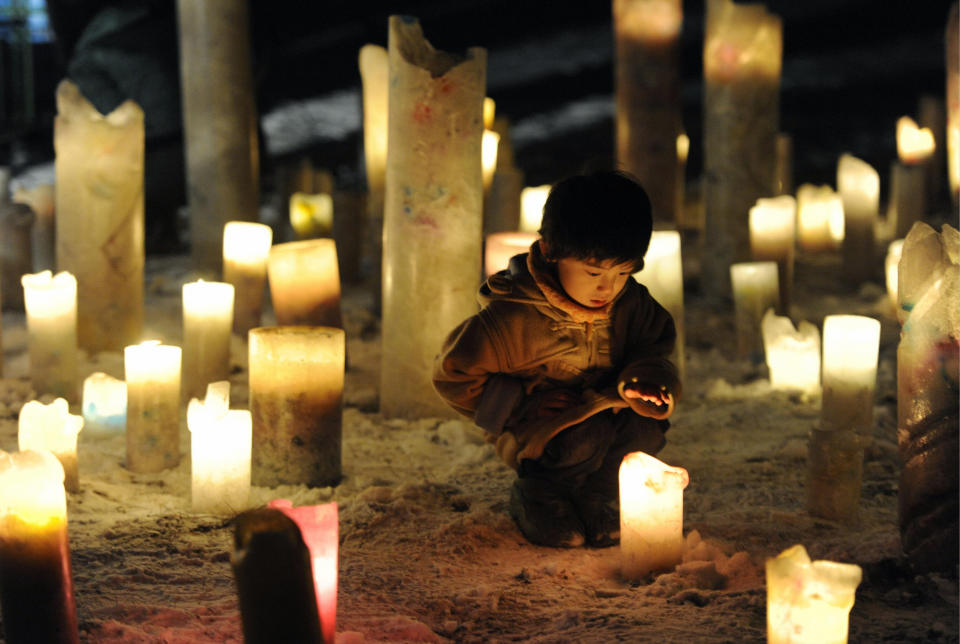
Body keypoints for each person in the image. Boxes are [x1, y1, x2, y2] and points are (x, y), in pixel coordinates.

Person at [433, 169, 680, 548]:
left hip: (610, 412)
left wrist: (644, 379)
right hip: (543, 432)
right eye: (594, 271)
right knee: (582, 437)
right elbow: (453, 374)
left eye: (623, 272)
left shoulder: (632, 306)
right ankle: (540, 497)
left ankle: (594, 498)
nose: (607, 286)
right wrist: (519, 407)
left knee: (644, 432)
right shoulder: (512, 320)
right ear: (551, 250)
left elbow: (654, 345)